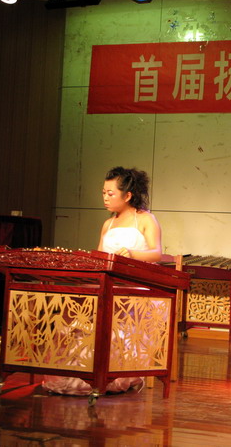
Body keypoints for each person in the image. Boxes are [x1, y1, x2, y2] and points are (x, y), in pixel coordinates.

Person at [42, 166, 162, 395]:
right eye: (103, 193)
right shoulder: (108, 224)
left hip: (132, 288)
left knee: (112, 318)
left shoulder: (145, 219)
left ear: (127, 195)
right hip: (105, 285)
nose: (105, 197)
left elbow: (156, 253)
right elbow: (98, 258)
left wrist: (132, 254)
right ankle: (80, 373)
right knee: (76, 315)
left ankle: (111, 374)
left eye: (110, 193)